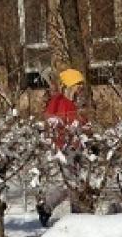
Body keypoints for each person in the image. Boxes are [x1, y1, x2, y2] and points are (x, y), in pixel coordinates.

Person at [36, 68, 89, 227]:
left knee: (72, 184)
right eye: (77, 84)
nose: (80, 88)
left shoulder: (78, 102)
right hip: (63, 148)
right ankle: (76, 218)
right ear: (68, 85)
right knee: (73, 183)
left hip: (79, 147)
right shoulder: (57, 102)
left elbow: (84, 123)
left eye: (81, 85)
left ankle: (46, 207)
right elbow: (52, 124)